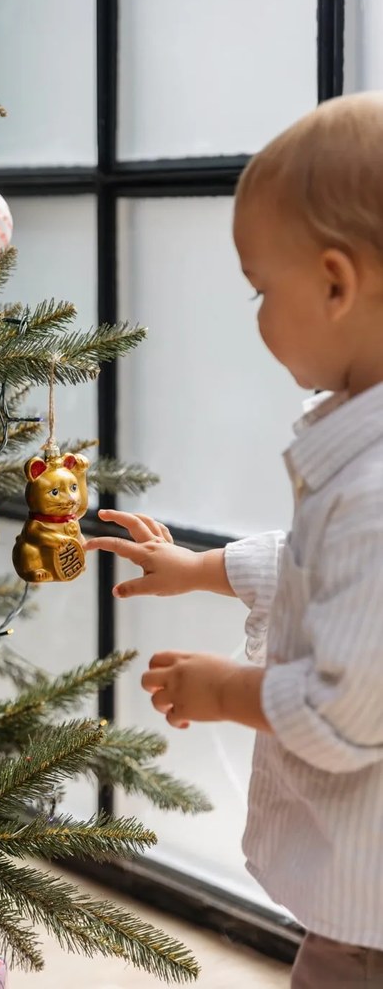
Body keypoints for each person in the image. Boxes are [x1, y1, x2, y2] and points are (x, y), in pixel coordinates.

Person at [85, 91, 383, 988]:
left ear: (335, 282)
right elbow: (318, 570)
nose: (254, 316)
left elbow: (346, 710)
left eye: (262, 289)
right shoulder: (358, 456)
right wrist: (200, 568)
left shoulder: (373, 491)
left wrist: (226, 690)